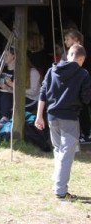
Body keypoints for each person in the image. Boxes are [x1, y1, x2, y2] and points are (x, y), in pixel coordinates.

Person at [35, 44, 91, 201]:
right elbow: (86, 99)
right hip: (70, 119)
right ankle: (60, 192)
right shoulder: (83, 73)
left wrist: (39, 116)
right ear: (80, 58)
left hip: (51, 117)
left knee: (59, 150)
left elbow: (43, 93)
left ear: (68, 55)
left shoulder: (51, 70)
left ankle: (57, 184)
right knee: (66, 154)